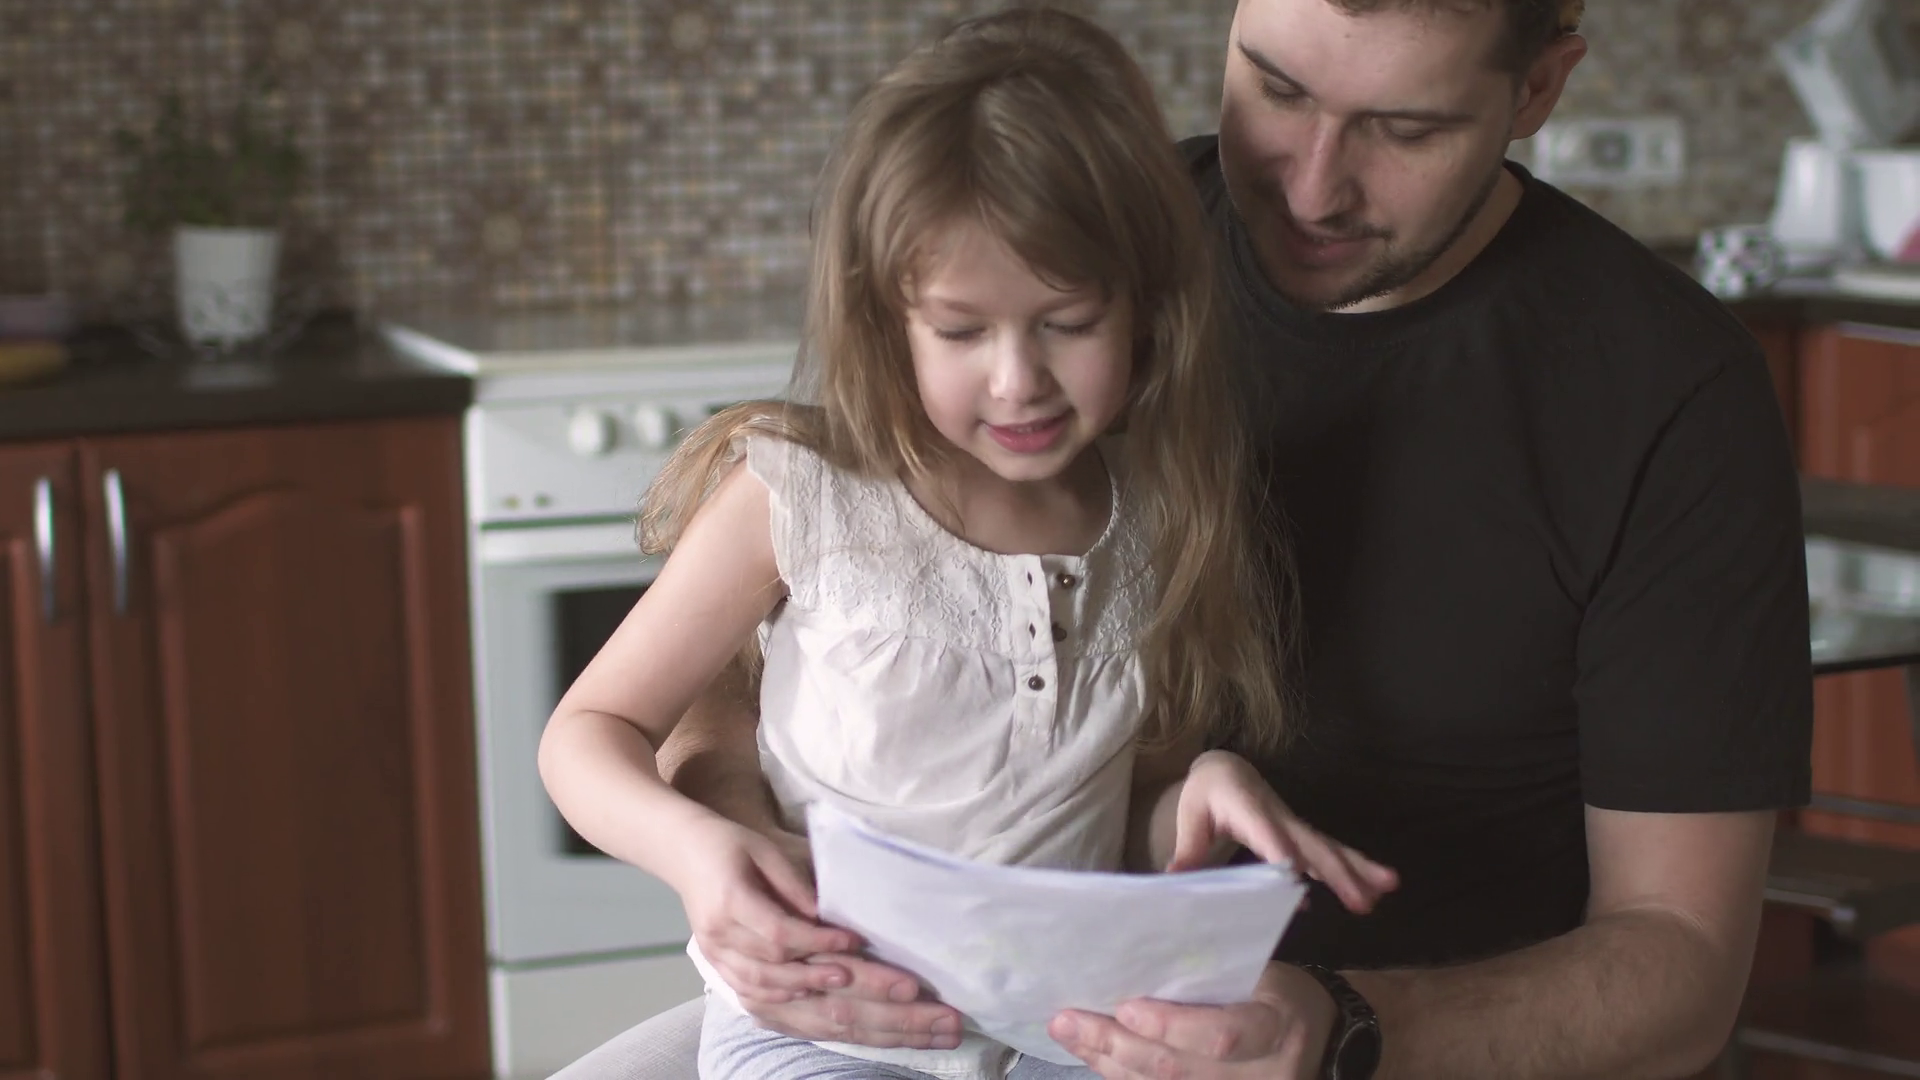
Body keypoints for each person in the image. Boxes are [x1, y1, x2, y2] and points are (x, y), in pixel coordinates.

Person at [555, 0, 1815, 1077]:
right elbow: (779, 618)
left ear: (1539, 84)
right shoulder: (1072, 237)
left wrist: (1341, 1030)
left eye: (1406, 128)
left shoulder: (1663, 390)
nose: (1313, 185)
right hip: (917, 1000)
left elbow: (1685, 969)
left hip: (1366, 1039)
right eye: (1277, 87)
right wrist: (738, 839)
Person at [537, 9, 1398, 1080]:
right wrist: (701, 853)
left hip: (1057, 1029)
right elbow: (589, 731)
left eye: (1067, 322)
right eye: (961, 330)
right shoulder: (799, 497)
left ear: (1147, 310)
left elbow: (1092, 834)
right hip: (822, 1020)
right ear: (883, 320)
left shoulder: (1161, 521)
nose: (1017, 379)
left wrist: (1195, 795)